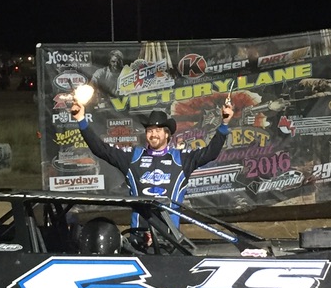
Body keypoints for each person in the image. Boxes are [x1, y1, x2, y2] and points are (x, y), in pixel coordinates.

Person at [70, 97, 233, 233]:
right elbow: (101, 149)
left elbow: (210, 153)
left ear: (167, 134)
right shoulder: (133, 157)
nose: (153, 134)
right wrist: (81, 120)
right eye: (149, 130)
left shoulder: (181, 158)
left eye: (158, 130)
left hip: (170, 237)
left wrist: (224, 124)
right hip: (139, 235)